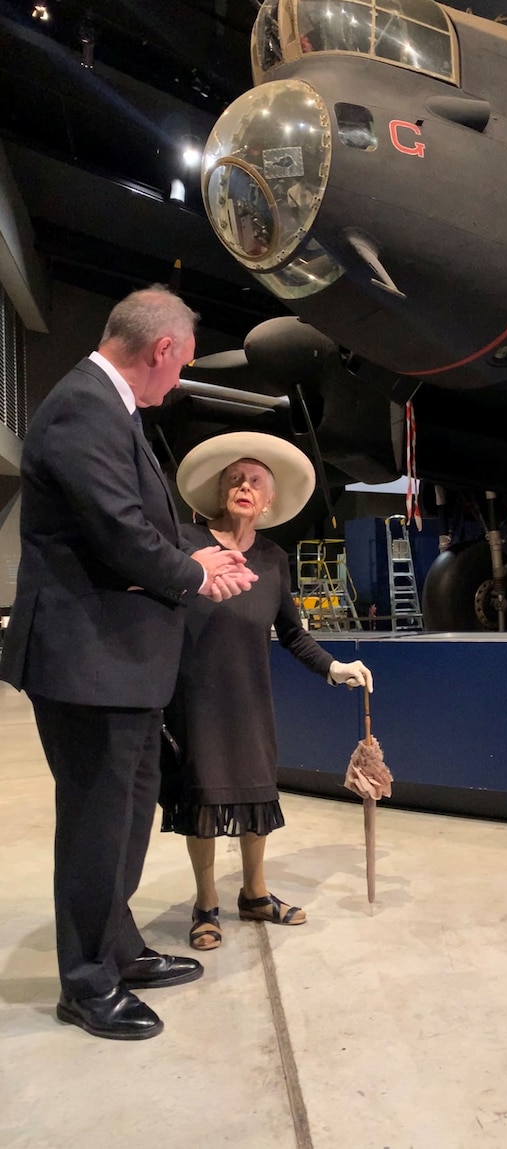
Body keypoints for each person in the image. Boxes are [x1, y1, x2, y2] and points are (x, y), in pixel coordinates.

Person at [0, 286, 258, 1041]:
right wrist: (196, 573)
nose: (176, 386)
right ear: (163, 351)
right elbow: (117, 530)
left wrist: (196, 550)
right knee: (95, 822)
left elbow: (147, 519)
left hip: (122, 662)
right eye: (178, 371)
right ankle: (85, 982)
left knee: (128, 811)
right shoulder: (84, 406)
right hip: (88, 660)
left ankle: (116, 947)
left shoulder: (113, 411)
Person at [160, 431, 373, 950]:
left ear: (270, 500)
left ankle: (254, 895)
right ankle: (205, 903)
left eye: (255, 480)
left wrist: (333, 667)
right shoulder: (187, 545)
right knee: (202, 801)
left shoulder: (274, 560)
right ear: (219, 491)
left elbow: (293, 633)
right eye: (234, 478)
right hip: (193, 697)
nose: (244, 485)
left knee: (257, 793)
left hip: (251, 699)